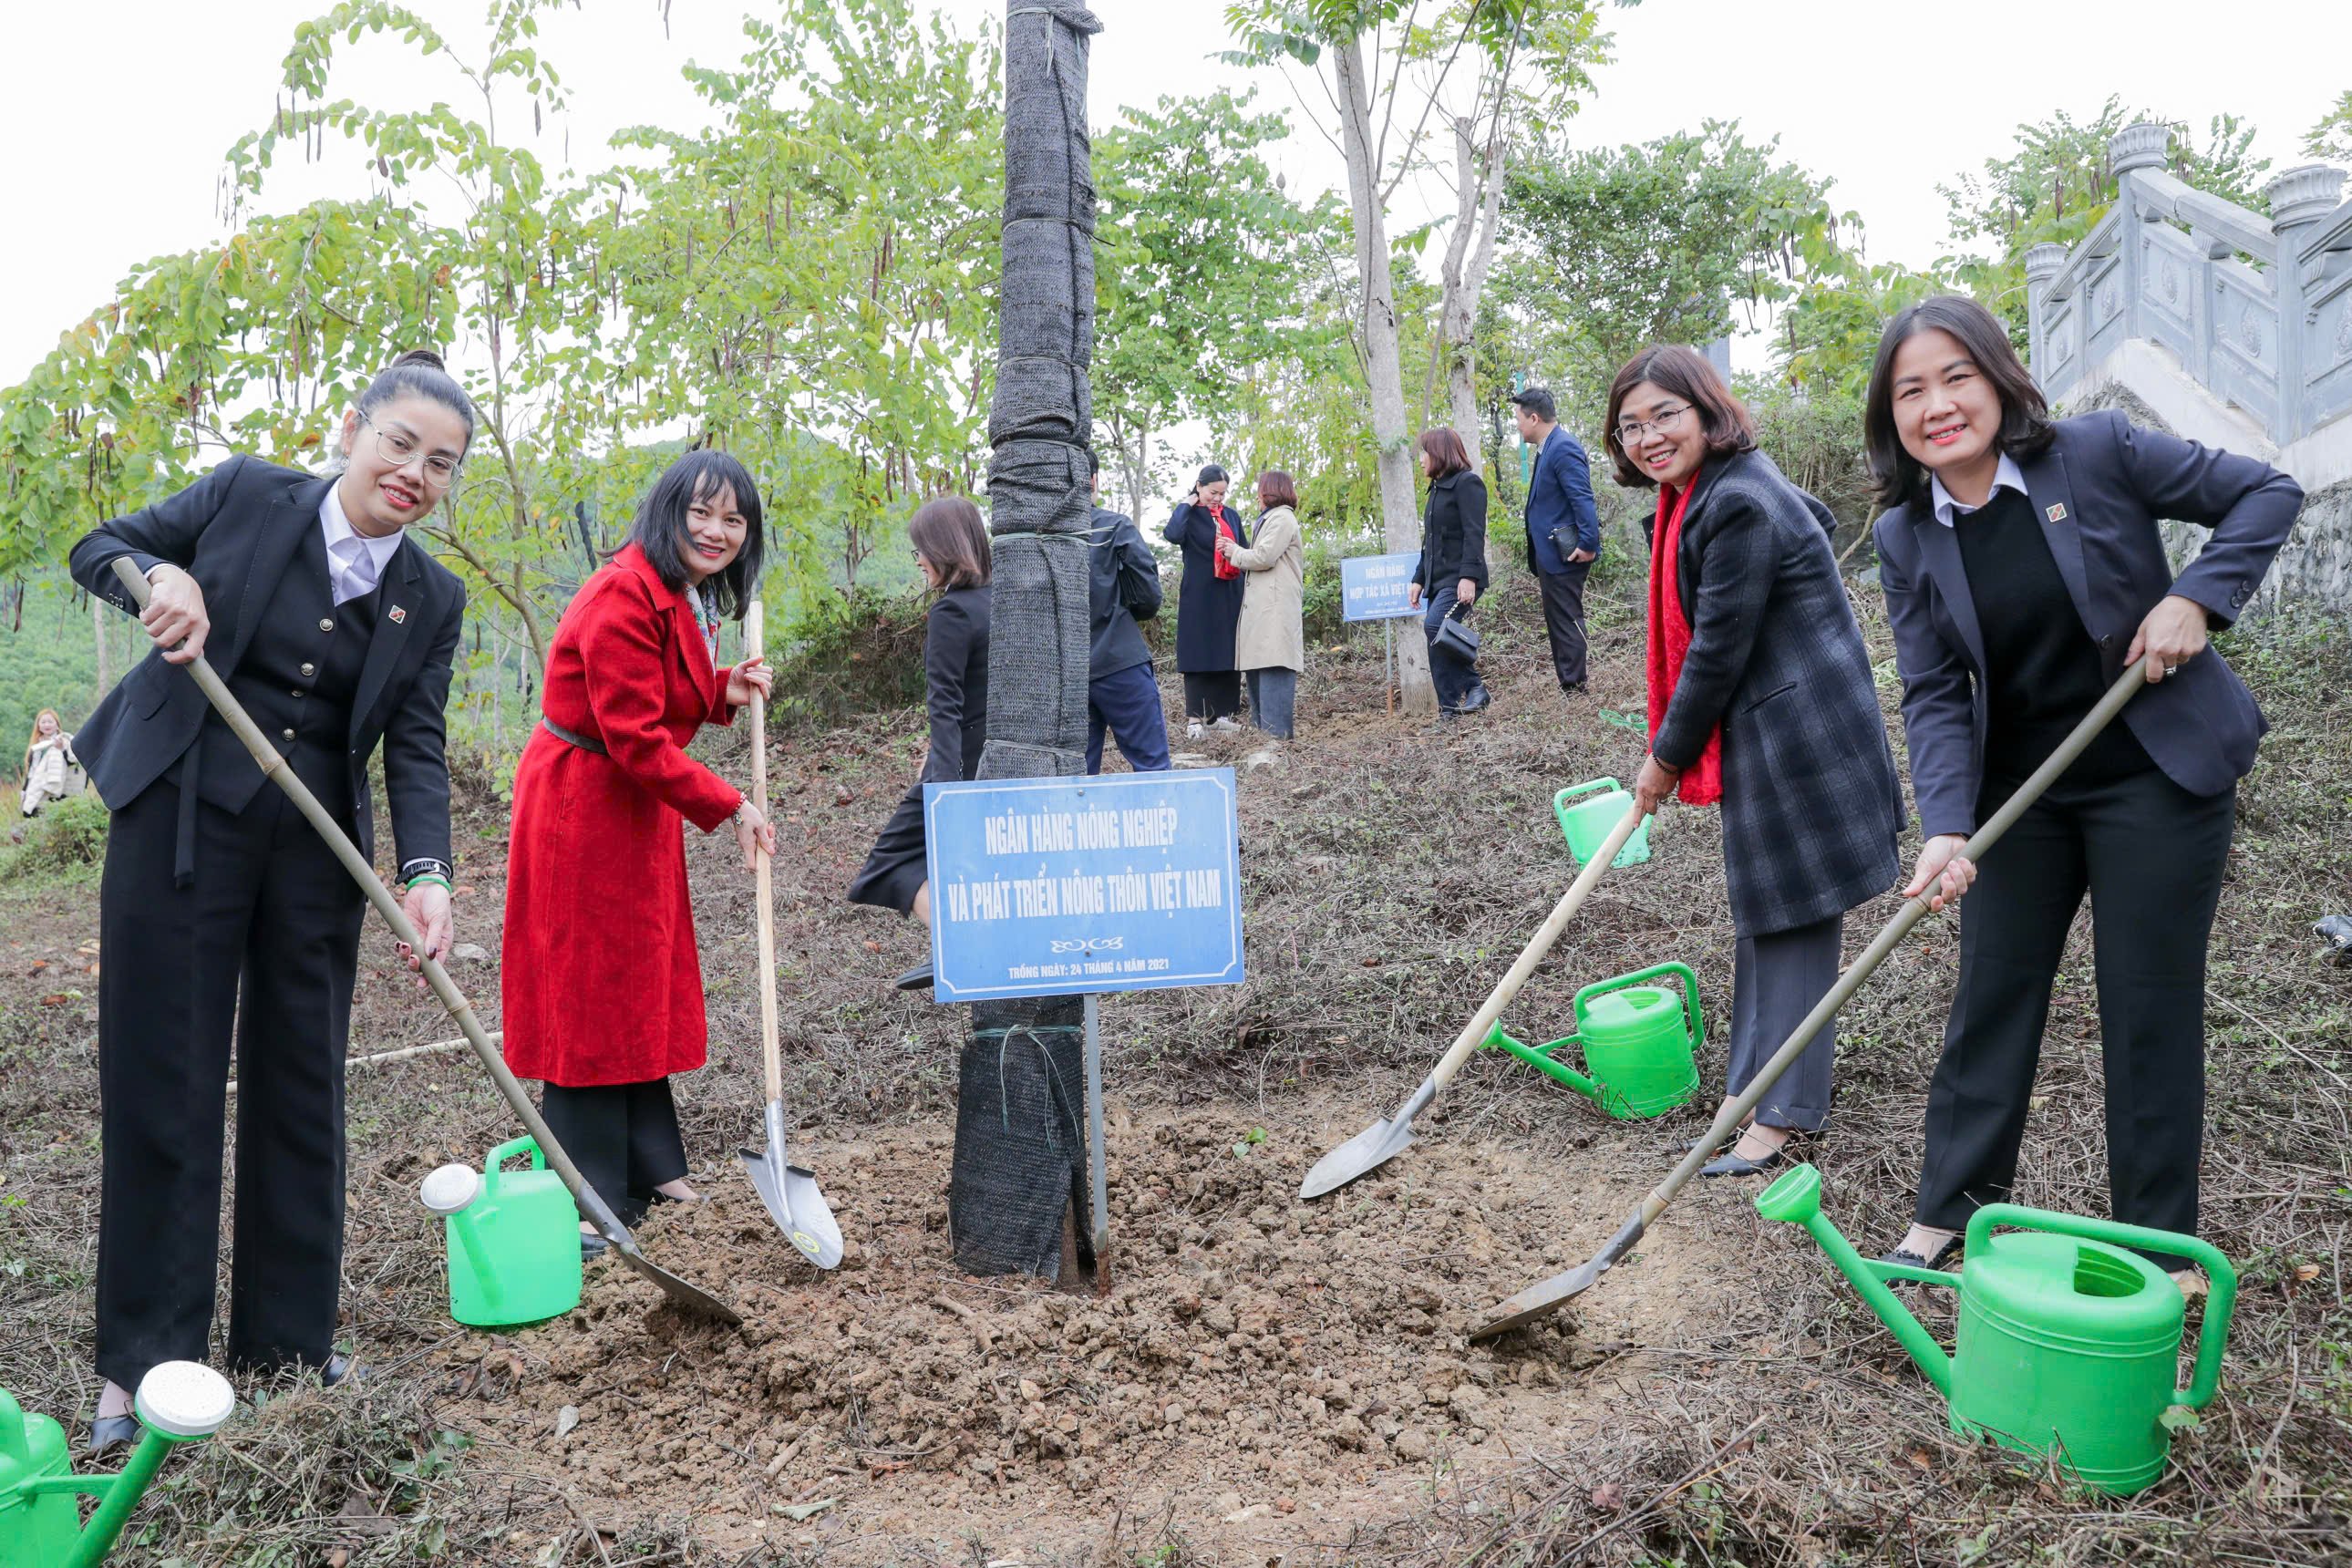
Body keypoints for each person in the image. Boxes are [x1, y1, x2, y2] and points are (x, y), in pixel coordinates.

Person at [67, 348, 472, 1452]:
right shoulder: (246, 492)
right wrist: (162, 580)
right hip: (181, 817)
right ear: (352, 429)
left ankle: (286, 1347)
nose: (414, 472)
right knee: (170, 1080)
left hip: (314, 850)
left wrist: (427, 874)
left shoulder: (431, 597)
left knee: (304, 1084)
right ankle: (145, 1367)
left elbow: (418, 748)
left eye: (440, 463)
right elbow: (99, 545)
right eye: (399, 443)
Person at [1865, 295, 2300, 1276]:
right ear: (1888, 415)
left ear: (1998, 376)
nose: (1937, 405)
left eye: (1955, 378)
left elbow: (2266, 491)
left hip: (2154, 775)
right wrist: (1945, 826)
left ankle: (2158, 1244)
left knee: (2148, 1003)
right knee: (1992, 990)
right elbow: (1934, 689)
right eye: (1910, 390)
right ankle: (1952, 1208)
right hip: (2024, 793)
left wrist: (2196, 595)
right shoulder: (1907, 536)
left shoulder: (2096, 452)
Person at [1611, 346, 1903, 1180]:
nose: (1649, 437)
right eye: (1631, 426)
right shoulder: (1702, 495)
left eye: (1665, 415)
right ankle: (1757, 1097)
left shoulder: (1736, 501)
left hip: (1802, 734)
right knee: (1770, 915)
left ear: (1707, 410)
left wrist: (1663, 758)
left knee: (1789, 916)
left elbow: (1715, 653)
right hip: (1774, 727)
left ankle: (1776, 1114)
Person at [500, 450, 777, 1254]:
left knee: (637, 974)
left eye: (734, 520)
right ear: (668, 511)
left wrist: (722, 687)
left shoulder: (676, 592)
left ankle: (654, 1163)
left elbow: (667, 687)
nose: (717, 531)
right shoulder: (621, 592)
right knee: (590, 986)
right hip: (584, 807)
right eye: (703, 513)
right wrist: (731, 804)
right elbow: (633, 732)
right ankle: (589, 1191)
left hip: (633, 807)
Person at [850, 495, 993, 989]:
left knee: (886, 861)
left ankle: (960, 942)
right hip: (1002, 760)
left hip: (962, 767)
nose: (917, 560)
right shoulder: (1003, 604)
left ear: (944, 548)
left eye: (921, 550)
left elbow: (946, 706)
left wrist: (945, 787)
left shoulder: (951, 613)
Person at [1511, 386, 1602, 695]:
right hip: (1551, 553)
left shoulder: (1563, 447)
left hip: (1568, 552)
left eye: (1519, 419)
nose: (1518, 426)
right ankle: (1569, 682)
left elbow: (1582, 498)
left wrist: (1589, 543)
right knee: (1559, 619)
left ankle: (1575, 687)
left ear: (1534, 418)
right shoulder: (1548, 448)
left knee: (1566, 619)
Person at [1085, 452, 1170, 774]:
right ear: (1093, 481)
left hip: (1066, 675)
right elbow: (1148, 596)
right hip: (1121, 660)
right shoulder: (1114, 527)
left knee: (1075, 779)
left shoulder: (1040, 540)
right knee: (1152, 767)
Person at [1407, 428, 1491, 717]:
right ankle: (1448, 710)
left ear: (1440, 453)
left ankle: (1475, 685)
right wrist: (1419, 578)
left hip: (1461, 578)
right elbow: (1428, 542)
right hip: (1439, 580)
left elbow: (1474, 534)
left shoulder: (1468, 484)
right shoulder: (1437, 491)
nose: (1421, 460)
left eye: (1425, 452)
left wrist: (1468, 576)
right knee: (1435, 636)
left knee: (1434, 625)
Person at [1216, 470, 1305, 740]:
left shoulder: (1282, 518)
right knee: (1259, 668)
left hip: (1275, 610)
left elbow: (1265, 556)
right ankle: (1263, 736)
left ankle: (1276, 737)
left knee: (1274, 666)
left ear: (1270, 491)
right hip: (1265, 610)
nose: (1257, 496)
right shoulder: (1270, 519)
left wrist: (1234, 552)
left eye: (1260, 490)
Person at [1162, 464, 1247, 736]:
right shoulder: (1188, 515)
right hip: (1199, 595)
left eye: (1223, 493)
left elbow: (1245, 550)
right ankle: (1196, 719)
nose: (1218, 498)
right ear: (1199, 486)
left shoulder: (1231, 516)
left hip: (1229, 593)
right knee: (1198, 652)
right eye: (1213, 492)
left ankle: (1219, 715)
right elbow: (1172, 534)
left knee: (1227, 652)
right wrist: (1187, 503)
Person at [20, 708, 79, 816]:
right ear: (38, 725)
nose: (47, 725)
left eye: (50, 722)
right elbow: (31, 773)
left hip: (56, 792)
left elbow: (72, 762)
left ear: (57, 725)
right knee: (33, 818)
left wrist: (62, 749)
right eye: (43, 722)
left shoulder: (64, 742)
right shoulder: (36, 746)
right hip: (36, 789)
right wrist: (24, 791)